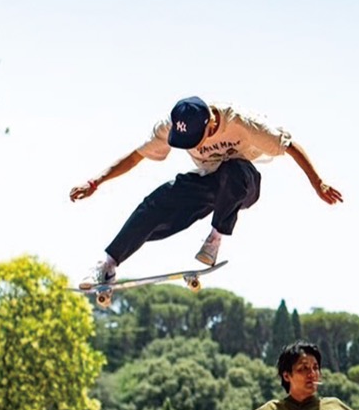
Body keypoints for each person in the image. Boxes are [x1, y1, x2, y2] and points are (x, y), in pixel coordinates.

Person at [70, 96, 343, 288]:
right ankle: (108, 265)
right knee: (157, 202)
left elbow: (290, 146)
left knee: (233, 170)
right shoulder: (171, 125)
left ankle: (215, 238)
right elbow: (136, 156)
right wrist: (96, 181)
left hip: (245, 184)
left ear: (211, 125)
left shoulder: (243, 122)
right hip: (207, 182)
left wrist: (318, 183)